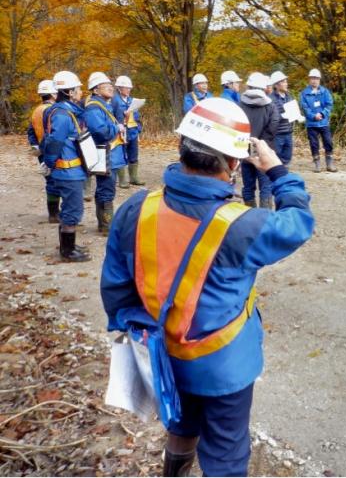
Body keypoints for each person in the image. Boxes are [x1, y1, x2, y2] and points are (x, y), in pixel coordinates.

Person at [100, 97, 314, 477]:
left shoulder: (136, 208)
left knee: (181, 426)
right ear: (234, 164)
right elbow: (299, 222)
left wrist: (132, 333)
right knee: (226, 453)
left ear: (181, 146)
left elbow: (117, 286)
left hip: (162, 353)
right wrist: (277, 170)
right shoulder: (244, 225)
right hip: (223, 364)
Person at [42, 70, 91, 262]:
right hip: (68, 172)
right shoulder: (63, 115)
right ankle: (67, 252)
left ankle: (67, 245)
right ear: (69, 92)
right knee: (73, 209)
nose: (80, 92)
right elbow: (55, 142)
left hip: (70, 170)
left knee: (71, 209)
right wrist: (49, 163)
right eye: (78, 89)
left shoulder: (65, 112)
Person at [84, 72, 127, 234]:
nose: (111, 87)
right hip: (105, 155)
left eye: (111, 85)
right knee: (106, 189)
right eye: (105, 85)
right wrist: (117, 128)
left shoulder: (103, 105)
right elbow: (100, 131)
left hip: (109, 154)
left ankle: (105, 224)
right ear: (95, 90)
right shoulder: (94, 107)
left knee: (106, 188)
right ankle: (107, 226)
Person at [239, 72, 281, 208]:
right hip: (264, 149)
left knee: (248, 185)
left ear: (249, 86)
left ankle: (249, 217)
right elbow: (274, 124)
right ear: (263, 88)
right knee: (265, 185)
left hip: (244, 149)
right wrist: (262, 143)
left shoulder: (240, 104)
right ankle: (265, 217)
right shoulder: (270, 105)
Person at [28, 79, 60, 223]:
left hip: (42, 151)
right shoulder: (54, 110)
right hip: (53, 151)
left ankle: (53, 213)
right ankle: (54, 214)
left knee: (50, 181)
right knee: (55, 182)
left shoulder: (36, 110)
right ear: (53, 94)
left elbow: (30, 131)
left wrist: (35, 146)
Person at [300, 68, 336, 172]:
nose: (314, 80)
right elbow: (304, 107)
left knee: (328, 142)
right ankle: (317, 164)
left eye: (316, 78)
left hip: (324, 122)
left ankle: (329, 164)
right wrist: (313, 116)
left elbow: (329, 104)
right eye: (312, 78)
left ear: (319, 79)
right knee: (314, 144)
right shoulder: (304, 93)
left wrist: (322, 114)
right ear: (309, 79)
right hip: (311, 124)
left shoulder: (325, 92)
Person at [112, 75, 145, 189]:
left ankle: (134, 178)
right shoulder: (114, 100)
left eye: (129, 88)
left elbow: (137, 117)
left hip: (133, 131)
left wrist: (138, 129)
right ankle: (122, 180)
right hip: (121, 132)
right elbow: (112, 117)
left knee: (133, 154)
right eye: (126, 88)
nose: (129, 90)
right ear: (120, 88)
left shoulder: (132, 100)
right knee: (121, 154)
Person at [270, 71, 295, 168]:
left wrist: (297, 116)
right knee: (276, 160)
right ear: (276, 85)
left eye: (286, 81)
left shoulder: (289, 97)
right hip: (277, 134)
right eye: (284, 82)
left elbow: (293, 111)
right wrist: (281, 116)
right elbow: (271, 116)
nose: (286, 84)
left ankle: (284, 178)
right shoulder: (271, 99)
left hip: (288, 132)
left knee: (287, 159)